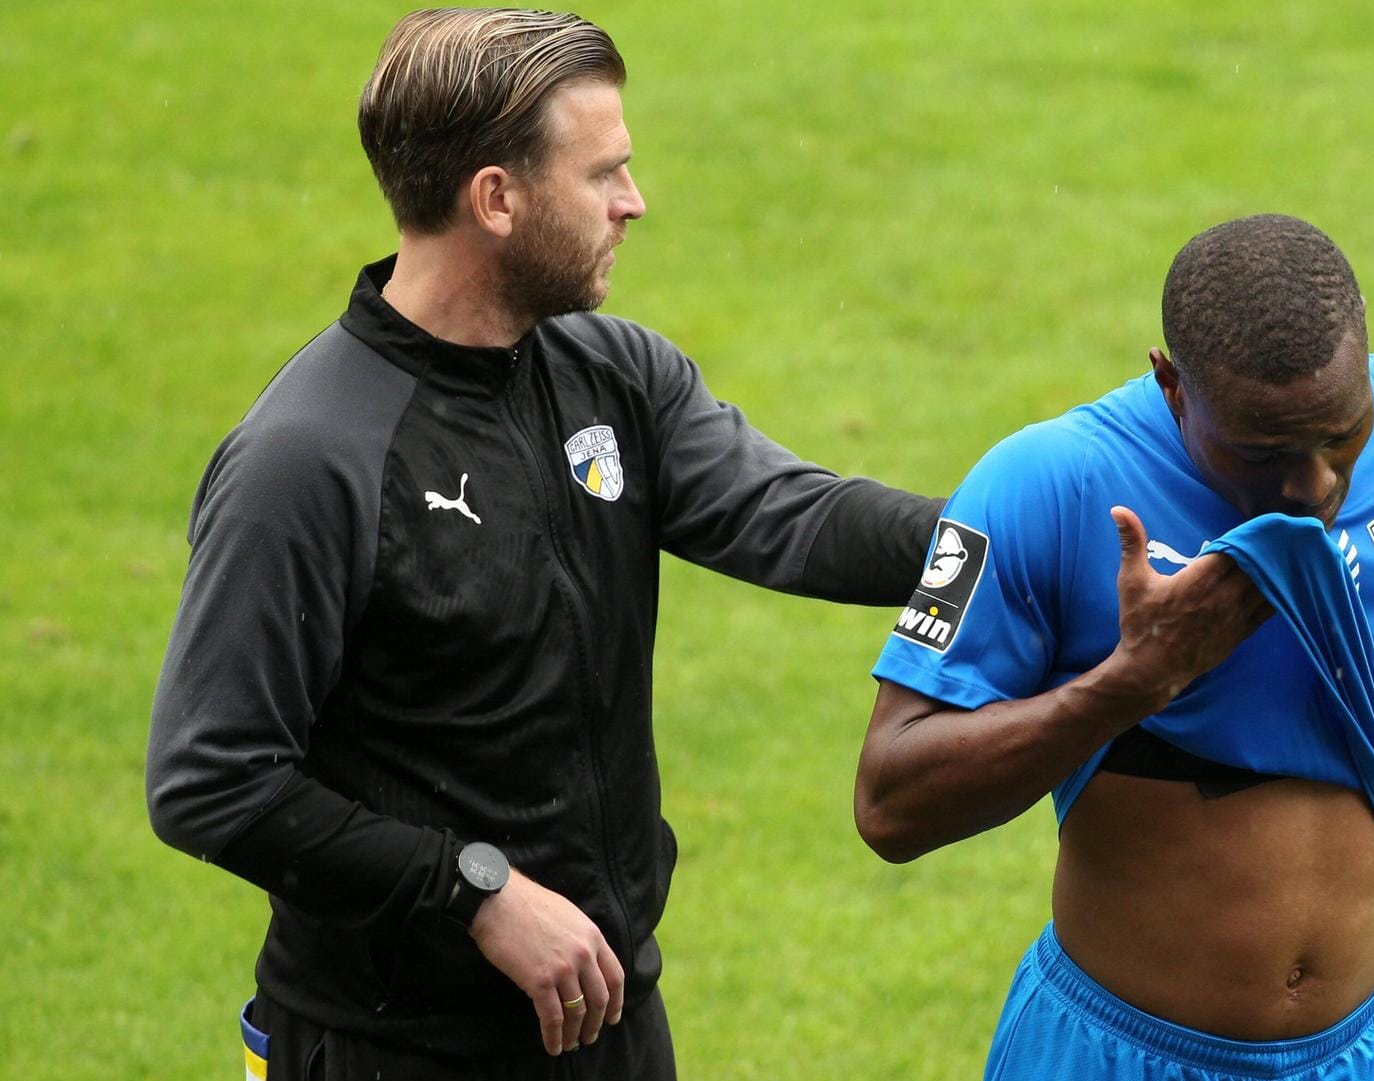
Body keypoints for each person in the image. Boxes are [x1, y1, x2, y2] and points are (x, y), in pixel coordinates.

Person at [145, 9, 939, 1079]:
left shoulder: (613, 373)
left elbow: (794, 516)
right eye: (603, 172)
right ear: (497, 199)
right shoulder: (310, 458)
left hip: (606, 1016)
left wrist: (1012, 540)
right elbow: (210, 778)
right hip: (395, 1048)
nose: (634, 201)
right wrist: (474, 892)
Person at [855, 214, 1374, 1080]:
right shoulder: (1044, 484)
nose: (1311, 484)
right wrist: (1134, 682)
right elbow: (890, 802)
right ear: (1171, 384)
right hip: (1120, 1055)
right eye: (1262, 452)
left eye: (1341, 434)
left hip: (1363, 1050)